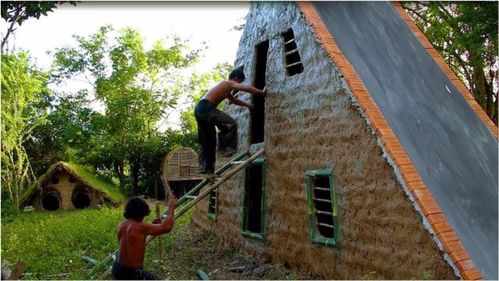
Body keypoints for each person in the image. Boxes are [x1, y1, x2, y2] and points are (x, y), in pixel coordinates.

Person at [194, 67, 267, 175]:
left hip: (199, 111)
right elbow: (245, 88)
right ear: (236, 78)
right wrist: (261, 93)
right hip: (206, 108)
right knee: (230, 123)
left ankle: (207, 170)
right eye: (239, 82)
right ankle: (226, 149)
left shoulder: (225, 89)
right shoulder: (227, 83)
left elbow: (233, 101)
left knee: (208, 141)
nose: (237, 86)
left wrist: (248, 105)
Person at [112, 196, 177, 280]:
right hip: (132, 273)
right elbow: (167, 227)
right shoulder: (142, 227)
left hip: (118, 268)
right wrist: (171, 208)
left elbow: (135, 235)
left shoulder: (121, 225)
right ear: (141, 213)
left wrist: (152, 225)